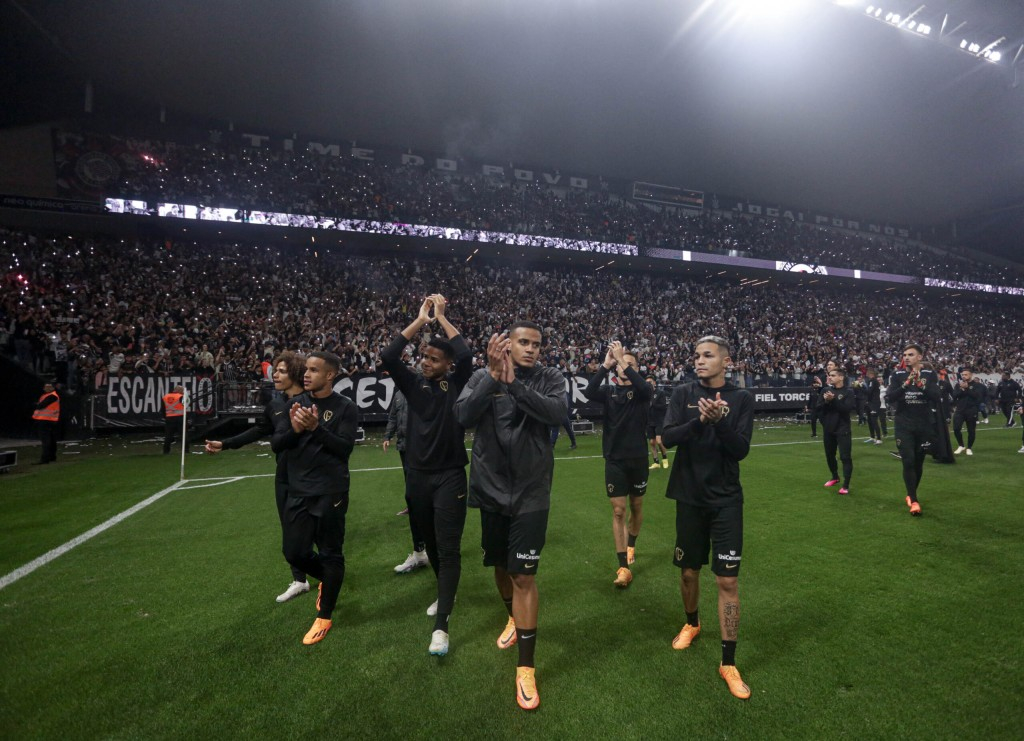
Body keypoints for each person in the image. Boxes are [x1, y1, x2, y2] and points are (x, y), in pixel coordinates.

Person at [454, 321, 567, 711]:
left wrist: (515, 384)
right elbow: (462, 416)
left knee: (524, 574)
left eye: (537, 343)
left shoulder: (550, 377)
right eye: (523, 342)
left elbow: (555, 413)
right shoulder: (481, 376)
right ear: (507, 344)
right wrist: (490, 375)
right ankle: (511, 619)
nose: (532, 349)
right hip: (490, 490)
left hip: (533, 493)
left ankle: (525, 668)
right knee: (500, 567)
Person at [662, 335, 754, 701]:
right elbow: (668, 437)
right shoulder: (681, 394)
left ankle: (728, 662)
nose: (699, 360)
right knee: (688, 571)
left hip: (727, 501)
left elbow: (741, 450)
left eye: (707, 355)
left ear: (725, 361)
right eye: (696, 355)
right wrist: (700, 421)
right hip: (689, 498)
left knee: (727, 582)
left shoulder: (742, 399)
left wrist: (719, 422)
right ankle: (692, 623)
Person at [380, 293, 473, 656]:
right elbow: (389, 356)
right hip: (417, 478)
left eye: (435, 359)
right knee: (432, 545)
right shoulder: (413, 385)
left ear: (448, 364)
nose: (426, 363)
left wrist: (443, 317)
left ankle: (442, 626)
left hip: (451, 476)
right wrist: (421, 320)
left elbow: (465, 354)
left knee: (448, 550)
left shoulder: (458, 381)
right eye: (424, 357)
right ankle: (444, 592)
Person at [205, 351, 311, 603]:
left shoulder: (311, 401)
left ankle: (327, 574)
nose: (275, 374)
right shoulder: (275, 405)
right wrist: (226, 443)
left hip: (311, 475)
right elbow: (259, 430)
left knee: (314, 529)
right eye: (275, 369)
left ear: (295, 373)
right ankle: (300, 580)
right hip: (285, 475)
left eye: (282, 370)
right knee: (289, 529)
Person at [271, 352, 358, 645]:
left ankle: (325, 615)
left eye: (313, 370)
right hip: (298, 490)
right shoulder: (293, 404)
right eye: (305, 369)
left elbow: (344, 449)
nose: (305, 374)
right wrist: (296, 430)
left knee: (332, 552)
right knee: (294, 552)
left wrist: (315, 428)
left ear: (330, 375)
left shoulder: (345, 407)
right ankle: (329, 579)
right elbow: (276, 443)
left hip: (331, 491)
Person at [583, 341, 652, 587]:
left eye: (631, 364)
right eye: (623, 363)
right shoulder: (610, 393)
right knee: (619, 511)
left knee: (636, 504)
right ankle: (623, 566)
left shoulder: (644, 391)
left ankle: (631, 544)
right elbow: (588, 393)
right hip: (615, 460)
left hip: (638, 459)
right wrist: (605, 365)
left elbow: (644, 388)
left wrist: (623, 360)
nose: (625, 366)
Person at [885, 344, 941, 517]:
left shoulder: (930, 374)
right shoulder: (897, 375)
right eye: (904, 355)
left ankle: (911, 494)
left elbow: (936, 396)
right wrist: (906, 385)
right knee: (908, 460)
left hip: (923, 424)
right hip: (904, 424)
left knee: (918, 461)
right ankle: (914, 500)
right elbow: (890, 398)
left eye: (910, 354)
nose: (906, 357)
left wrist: (919, 384)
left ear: (919, 357)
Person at [384, 388, 430, 573]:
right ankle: (419, 552)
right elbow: (393, 416)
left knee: (424, 497)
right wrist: (388, 435)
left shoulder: (422, 392)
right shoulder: (399, 395)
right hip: (404, 446)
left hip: (421, 448)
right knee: (412, 494)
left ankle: (429, 551)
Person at [819, 367, 855, 494]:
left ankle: (845, 485)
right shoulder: (825, 390)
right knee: (829, 455)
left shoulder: (849, 392)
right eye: (830, 375)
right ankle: (835, 476)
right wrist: (826, 401)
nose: (830, 377)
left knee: (845, 457)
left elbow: (846, 409)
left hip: (843, 429)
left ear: (841, 377)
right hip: (828, 429)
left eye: (833, 375)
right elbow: (818, 408)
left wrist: (833, 400)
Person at [951, 367, 985, 456]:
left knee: (971, 430)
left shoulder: (977, 385)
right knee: (956, 428)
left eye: (966, 374)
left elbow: (977, 396)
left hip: (971, 410)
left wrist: (967, 389)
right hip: (959, 410)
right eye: (962, 375)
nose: (964, 376)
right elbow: (954, 395)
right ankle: (961, 445)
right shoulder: (958, 385)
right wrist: (962, 389)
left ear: (971, 375)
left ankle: (969, 448)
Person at [32, 382, 60, 464]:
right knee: (51, 439)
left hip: (45, 420)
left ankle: (45, 458)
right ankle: (51, 457)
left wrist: (37, 405)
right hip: (50, 420)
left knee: (46, 440)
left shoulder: (52, 396)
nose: (47, 388)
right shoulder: (50, 396)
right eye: (46, 386)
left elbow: (41, 405)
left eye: (49, 387)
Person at [647, 377, 670, 469]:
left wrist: (653, 404)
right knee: (652, 442)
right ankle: (656, 462)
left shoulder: (660, 393)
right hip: (649, 421)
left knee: (659, 441)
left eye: (650, 382)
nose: (648, 384)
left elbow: (663, 406)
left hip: (659, 420)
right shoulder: (645, 394)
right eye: (647, 382)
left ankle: (665, 459)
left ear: (654, 383)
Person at [862, 368, 885, 444]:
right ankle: (872, 437)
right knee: (870, 420)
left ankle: (879, 439)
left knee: (874, 421)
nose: (867, 374)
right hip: (870, 403)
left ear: (871, 373)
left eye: (868, 373)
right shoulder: (870, 381)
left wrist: (861, 387)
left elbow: (869, 392)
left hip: (874, 404)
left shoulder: (873, 381)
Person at [162, 385, 185, 455]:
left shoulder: (165, 397)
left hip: (169, 418)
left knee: (168, 436)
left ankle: (166, 451)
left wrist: (165, 417)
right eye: (182, 391)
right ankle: (185, 450)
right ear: (179, 391)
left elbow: (163, 409)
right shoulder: (181, 396)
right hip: (180, 418)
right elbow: (186, 405)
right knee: (183, 435)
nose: (183, 392)